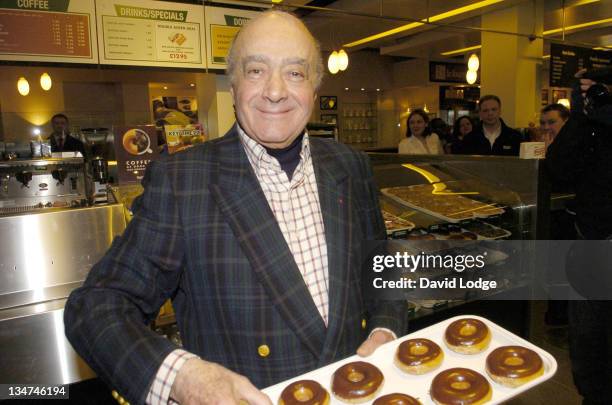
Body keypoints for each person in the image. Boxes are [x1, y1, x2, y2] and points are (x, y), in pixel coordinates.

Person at [64, 10, 404, 405]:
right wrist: (183, 378)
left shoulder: (351, 165)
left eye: (295, 73)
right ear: (233, 82)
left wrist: (386, 329)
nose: (275, 91)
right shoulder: (182, 181)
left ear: (315, 85)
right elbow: (96, 307)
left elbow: (380, 263)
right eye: (257, 70)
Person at [546, 70, 612, 405]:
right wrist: (582, 117)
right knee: (587, 344)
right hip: (592, 244)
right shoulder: (591, 126)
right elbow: (558, 168)